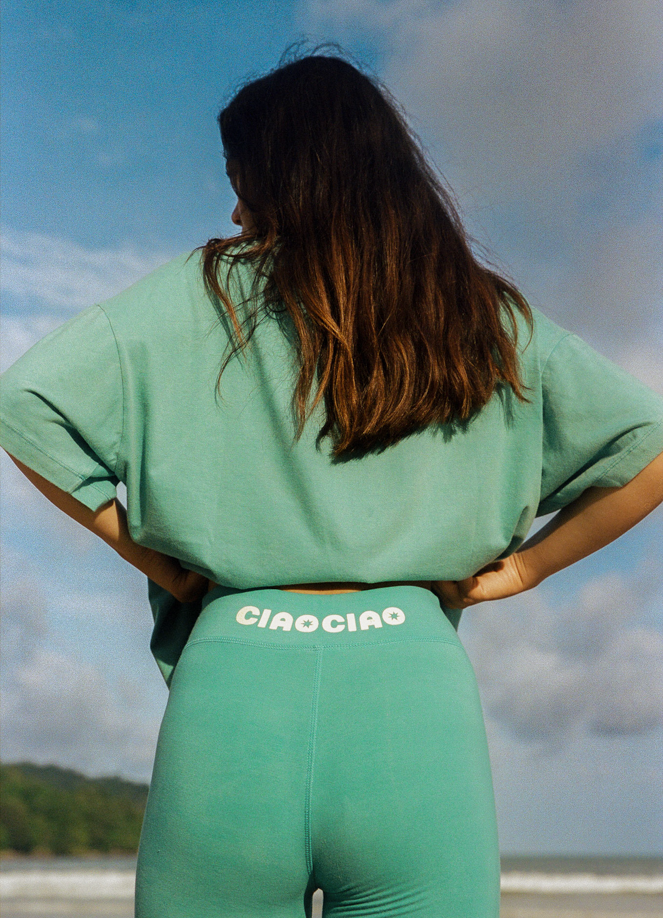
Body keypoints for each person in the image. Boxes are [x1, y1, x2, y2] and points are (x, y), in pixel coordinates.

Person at [1, 51, 663, 919]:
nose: (234, 209)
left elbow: (27, 401)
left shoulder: (195, 294)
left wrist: (160, 563)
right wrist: (526, 570)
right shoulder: (476, 314)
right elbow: (646, 450)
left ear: (282, 177)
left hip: (233, 677)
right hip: (411, 687)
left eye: (242, 181)